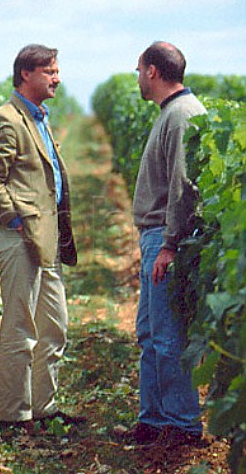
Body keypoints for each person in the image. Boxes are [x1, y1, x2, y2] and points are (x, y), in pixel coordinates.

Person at [0, 44, 83, 437]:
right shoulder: (7, 119)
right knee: (21, 328)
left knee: (54, 326)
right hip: (21, 237)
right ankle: (12, 415)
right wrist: (16, 219)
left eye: (56, 70)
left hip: (47, 237)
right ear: (26, 74)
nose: (57, 78)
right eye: (50, 71)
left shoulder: (38, 117)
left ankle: (44, 407)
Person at [127, 41, 207, 445]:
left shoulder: (181, 116)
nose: (137, 77)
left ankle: (182, 425)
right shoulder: (170, 113)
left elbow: (184, 186)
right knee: (150, 333)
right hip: (156, 237)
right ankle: (154, 419)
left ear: (153, 72)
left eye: (139, 69)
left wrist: (170, 244)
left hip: (165, 238)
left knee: (168, 335)